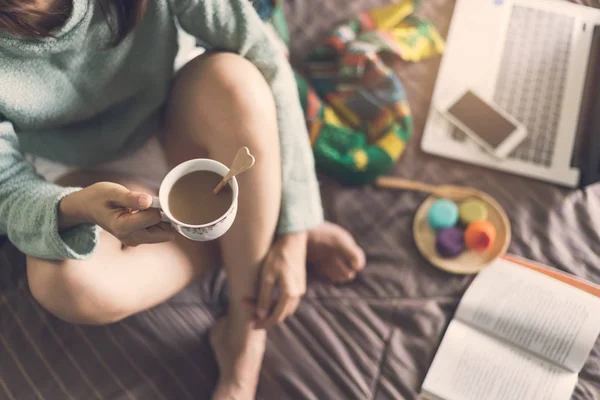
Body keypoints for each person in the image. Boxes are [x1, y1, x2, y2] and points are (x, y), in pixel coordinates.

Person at [0, 0, 366, 398]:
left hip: (183, 115)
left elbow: (262, 55)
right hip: (76, 173)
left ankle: (243, 338)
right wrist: (78, 206)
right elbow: (6, 184)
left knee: (238, 81)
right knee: (64, 284)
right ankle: (249, 230)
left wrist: (297, 222)